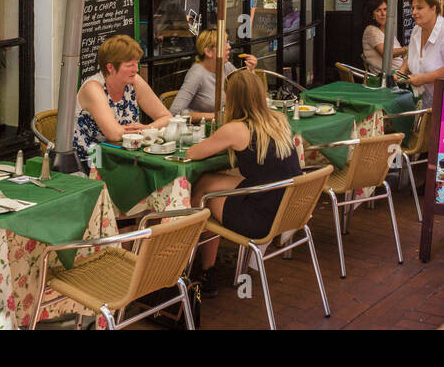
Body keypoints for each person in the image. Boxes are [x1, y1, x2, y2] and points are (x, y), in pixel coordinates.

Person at [187, 69, 302, 294]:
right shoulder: (278, 120)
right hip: (286, 209)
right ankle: (202, 266)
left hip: (261, 217)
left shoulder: (235, 129)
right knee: (208, 183)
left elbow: (193, 153)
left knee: (204, 197)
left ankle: (189, 263)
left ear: (232, 98)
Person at [73, 35, 172, 166]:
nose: (136, 70)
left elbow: (167, 117)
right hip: (89, 160)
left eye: (136, 63)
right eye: (130, 65)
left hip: (123, 156)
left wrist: (148, 127)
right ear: (110, 67)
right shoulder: (93, 88)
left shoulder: (134, 81)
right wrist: (146, 131)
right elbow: (114, 134)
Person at [169, 28, 257, 118]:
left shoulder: (226, 66)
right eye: (224, 44)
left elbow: (246, 92)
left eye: (228, 42)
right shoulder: (197, 74)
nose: (229, 47)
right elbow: (175, 111)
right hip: (202, 128)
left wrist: (250, 71)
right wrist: (216, 116)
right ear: (208, 52)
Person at [361, 0, 407, 72]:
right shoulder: (371, 30)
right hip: (387, 77)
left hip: (400, 72)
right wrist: (408, 49)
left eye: (385, 9)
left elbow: (400, 54)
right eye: (378, 10)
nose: (383, 14)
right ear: (372, 15)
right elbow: (387, 54)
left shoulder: (387, 31)